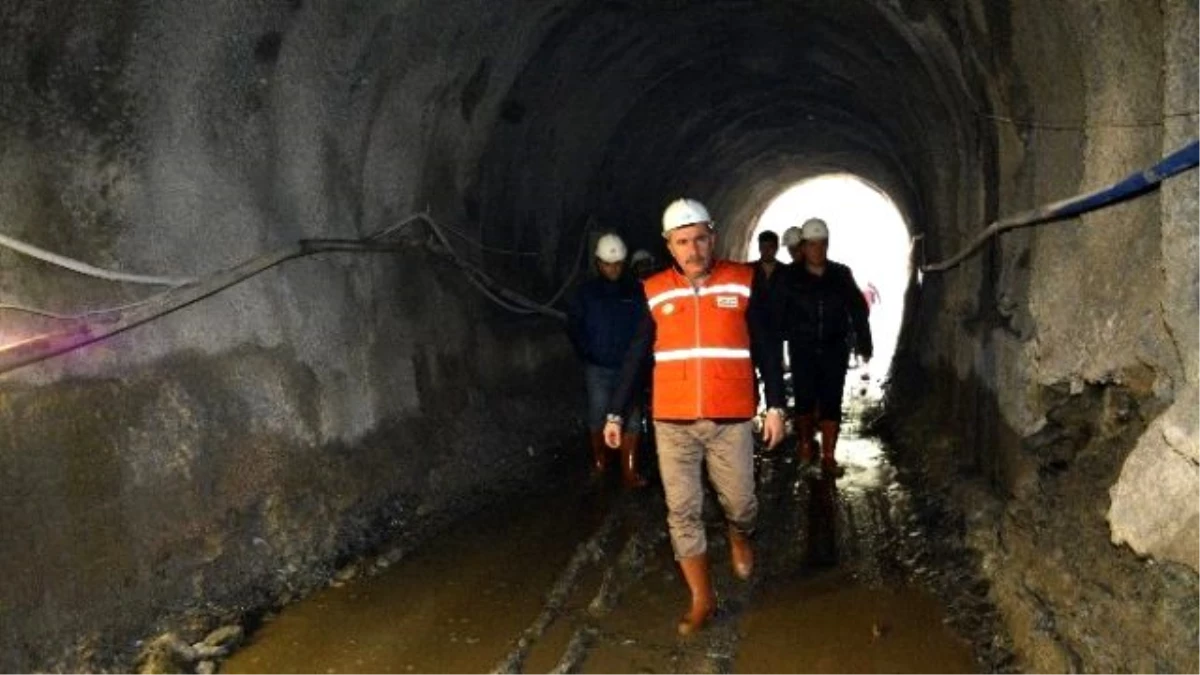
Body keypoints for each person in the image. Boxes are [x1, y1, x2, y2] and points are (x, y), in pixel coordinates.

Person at [604, 198, 786, 635]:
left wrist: (776, 405)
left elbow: (765, 345)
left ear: (713, 236)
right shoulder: (655, 290)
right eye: (683, 241)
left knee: (740, 501)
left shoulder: (743, 281)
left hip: (731, 418)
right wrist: (615, 412)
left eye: (700, 238)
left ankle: (739, 532)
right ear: (670, 246)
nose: (693, 249)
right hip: (672, 421)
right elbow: (635, 356)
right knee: (682, 510)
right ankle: (702, 599)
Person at [777, 218, 872, 476]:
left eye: (822, 245)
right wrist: (782, 339)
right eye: (811, 245)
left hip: (834, 348)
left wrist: (864, 341)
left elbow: (858, 308)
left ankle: (829, 455)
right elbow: (778, 312)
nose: (817, 250)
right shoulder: (790, 277)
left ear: (827, 245)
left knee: (831, 400)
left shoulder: (840, 274)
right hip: (803, 349)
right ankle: (806, 445)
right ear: (803, 247)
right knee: (805, 399)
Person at [566, 233, 648, 488]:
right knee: (598, 413)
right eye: (607, 263)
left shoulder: (636, 291)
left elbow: (646, 328)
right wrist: (587, 352)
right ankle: (601, 462)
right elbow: (574, 326)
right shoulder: (586, 293)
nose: (613, 268)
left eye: (618, 264)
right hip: (599, 367)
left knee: (632, 417)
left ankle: (629, 471)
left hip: (629, 366)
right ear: (598, 263)